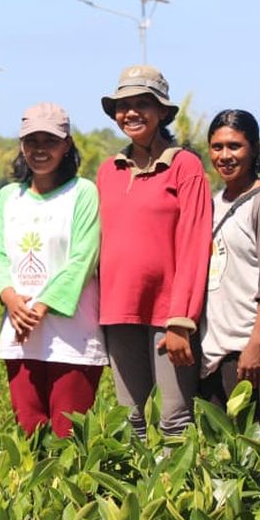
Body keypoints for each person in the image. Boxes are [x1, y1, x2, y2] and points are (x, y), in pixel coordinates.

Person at [96, 65, 213, 439]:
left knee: (174, 421)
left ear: (162, 112)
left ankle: (176, 498)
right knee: (130, 424)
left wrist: (181, 320)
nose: (131, 113)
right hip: (118, 313)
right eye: (123, 105)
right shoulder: (108, 170)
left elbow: (195, 244)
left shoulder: (185, 166)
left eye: (142, 104)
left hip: (169, 318)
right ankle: (134, 498)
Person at [0, 103, 106, 438]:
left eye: (50, 140)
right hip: (20, 335)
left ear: (67, 144)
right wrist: (11, 299)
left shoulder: (83, 193)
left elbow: (83, 258)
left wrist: (38, 307)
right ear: (21, 145)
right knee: (28, 434)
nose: (40, 149)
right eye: (31, 140)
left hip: (73, 337)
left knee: (68, 437)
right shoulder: (8, 196)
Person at [199, 110, 260, 437]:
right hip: (215, 353)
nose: (225, 156)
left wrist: (256, 345)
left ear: (253, 148)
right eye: (217, 147)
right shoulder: (213, 204)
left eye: (235, 146)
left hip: (254, 355)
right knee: (223, 456)